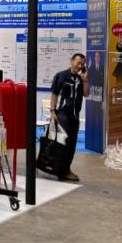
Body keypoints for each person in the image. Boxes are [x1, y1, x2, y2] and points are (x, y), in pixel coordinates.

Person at [49, 52, 89, 182]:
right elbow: (54, 94)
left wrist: (85, 80)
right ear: (71, 61)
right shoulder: (61, 76)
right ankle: (60, 170)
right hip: (63, 114)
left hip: (75, 116)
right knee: (62, 144)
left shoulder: (81, 79)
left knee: (72, 144)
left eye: (82, 64)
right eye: (78, 63)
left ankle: (66, 169)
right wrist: (52, 111)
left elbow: (86, 94)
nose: (80, 66)